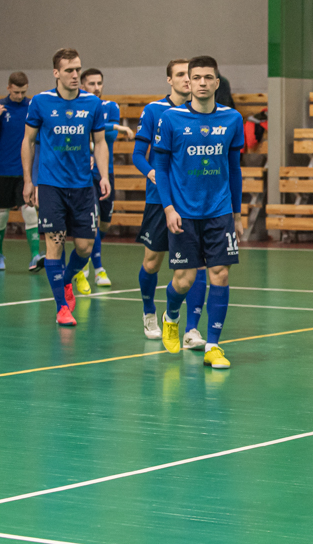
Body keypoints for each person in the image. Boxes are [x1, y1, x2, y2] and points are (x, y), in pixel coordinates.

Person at [152, 56, 245, 369]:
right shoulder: (171, 118)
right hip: (184, 213)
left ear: (217, 82)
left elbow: (234, 169)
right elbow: (161, 167)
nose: (203, 82)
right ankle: (171, 315)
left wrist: (237, 213)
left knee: (220, 274)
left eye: (208, 77)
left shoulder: (232, 119)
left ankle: (214, 346)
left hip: (219, 211)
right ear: (188, 83)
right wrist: (168, 208)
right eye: (197, 77)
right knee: (184, 280)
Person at [21, 48, 109, 327]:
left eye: (78, 69)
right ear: (56, 73)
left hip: (83, 186)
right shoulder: (40, 102)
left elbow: (100, 142)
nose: (75, 74)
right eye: (69, 70)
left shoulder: (92, 104)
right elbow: (28, 141)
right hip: (51, 186)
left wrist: (104, 175)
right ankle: (61, 306)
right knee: (55, 244)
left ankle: (67, 280)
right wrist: (28, 180)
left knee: (84, 247)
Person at [133, 59, 209, 347]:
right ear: (169, 80)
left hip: (192, 202)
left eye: (189, 75)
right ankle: (149, 311)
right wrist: (152, 173)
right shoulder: (154, 111)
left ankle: (191, 329)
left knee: (197, 266)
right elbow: (138, 154)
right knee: (152, 262)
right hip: (159, 199)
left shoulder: (203, 112)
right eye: (180, 75)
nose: (187, 80)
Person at [74, 68, 136, 293]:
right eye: (91, 83)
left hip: (105, 171)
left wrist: (111, 128)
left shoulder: (110, 106)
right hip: (84, 173)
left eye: (99, 83)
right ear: (82, 85)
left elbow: (108, 136)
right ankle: (97, 268)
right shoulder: (78, 107)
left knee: (105, 223)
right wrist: (116, 126)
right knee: (93, 219)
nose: (96, 87)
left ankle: (86, 254)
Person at [0, 71, 43, 271]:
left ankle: (35, 256)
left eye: (23, 92)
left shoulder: (32, 107)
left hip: (24, 171)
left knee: (29, 211)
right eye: (16, 92)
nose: (19, 96)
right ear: (8, 87)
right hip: (2, 170)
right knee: (1, 214)